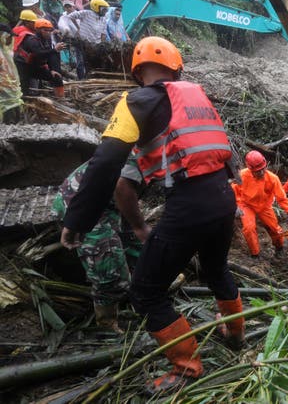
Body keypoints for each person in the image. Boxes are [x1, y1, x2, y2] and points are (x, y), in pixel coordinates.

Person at [59, 36, 244, 393]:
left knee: (145, 292)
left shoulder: (134, 101)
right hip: (224, 198)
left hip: (188, 205)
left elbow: (105, 164)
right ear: (177, 67)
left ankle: (186, 369)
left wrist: (77, 221)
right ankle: (236, 333)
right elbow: (224, 151)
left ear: (137, 71)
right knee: (216, 268)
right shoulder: (197, 95)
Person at [52, 158, 148, 333]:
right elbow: (121, 186)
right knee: (109, 271)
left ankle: (146, 286)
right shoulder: (147, 153)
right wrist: (139, 225)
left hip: (111, 202)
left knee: (138, 247)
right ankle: (107, 323)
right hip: (82, 206)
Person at [233, 150, 288, 259]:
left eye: (263, 169)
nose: (261, 173)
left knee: (275, 229)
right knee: (249, 228)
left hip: (264, 206)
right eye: (257, 171)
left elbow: (281, 196)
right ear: (250, 169)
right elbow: (233, 190)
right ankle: (255, 254)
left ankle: (279, 247)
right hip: (246, 204)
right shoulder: (242, 175)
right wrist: (236, 206)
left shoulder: (272, 178)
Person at [13, 18, 65, 97]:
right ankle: (24, 104)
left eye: (49, 30)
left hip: (36, 66)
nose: (48, 33)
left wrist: (52, 70)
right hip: (23, 66)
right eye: (45, 30)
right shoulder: (31, 40)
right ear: (38, 30)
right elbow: (39, 54)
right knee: (24, 88)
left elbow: (49, 56)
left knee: (56, 76)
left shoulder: (46, 40)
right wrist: (55, 50)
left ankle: (61, 97)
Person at [65, 0, 108, 79]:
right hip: (83, 42)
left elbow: (103, 33)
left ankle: (91, 78)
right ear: (96, 7)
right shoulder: (86, 13)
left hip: (95, 46)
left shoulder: (103, 19)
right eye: (103, 9)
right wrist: (76, 28)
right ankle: (81, 80)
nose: (105, 11)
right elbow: (70, 17)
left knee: (92, 63)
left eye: (106, 9)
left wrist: (102, 44)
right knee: (80, 62)